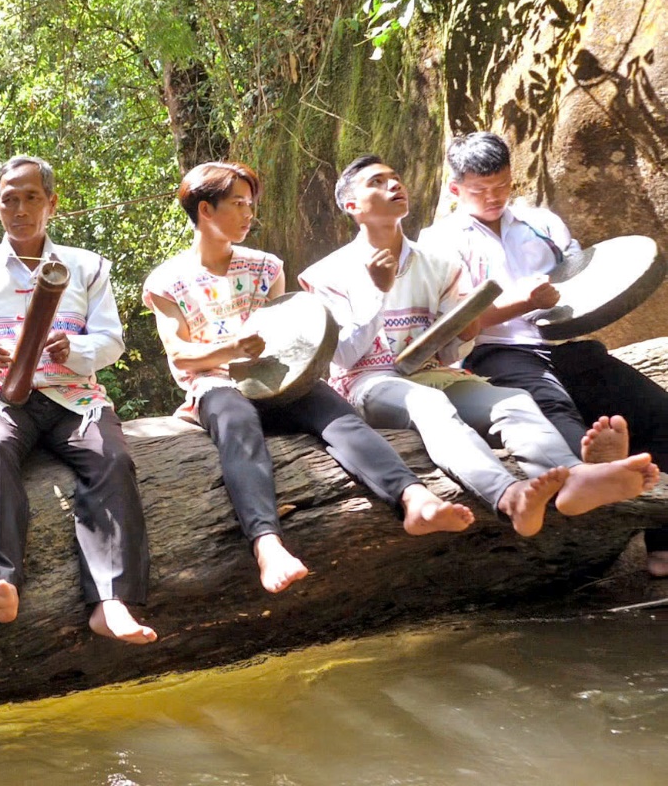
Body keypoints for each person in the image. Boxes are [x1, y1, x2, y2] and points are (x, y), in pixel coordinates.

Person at [142, 162, 475, 594]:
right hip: (215, 382)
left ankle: (412, 499)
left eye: (251, 204)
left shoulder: (265, 267)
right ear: (206, 210)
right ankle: (267, 545)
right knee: (237, 423)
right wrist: (231, 351)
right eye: (238, 204)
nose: (249, 214)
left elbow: (289, 333)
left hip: (277, 378)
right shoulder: (168, 281)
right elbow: (181, 356)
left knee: (337, 414)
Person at [299, 156, 658, 537]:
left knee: (514, 401)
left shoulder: (439, 264)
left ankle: (575, 477)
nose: (393, 186)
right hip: (368, 383)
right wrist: (377, 290)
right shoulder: (325, 274)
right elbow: (342, 356)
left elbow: (452, 352)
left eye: (395, 178)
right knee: (428, 403)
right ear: (352, 206)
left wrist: (462, 330)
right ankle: (508, 496)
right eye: (377, 182)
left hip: (435, 373)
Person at [421, 130, 668, 576]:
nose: (494, 198)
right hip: (494, 354)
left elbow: (585, 283)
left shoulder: (544, 223)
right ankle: (588, 494)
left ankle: (663, 548)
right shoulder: (439, 243)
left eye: (502, 186)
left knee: (658, 411)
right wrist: (522, 303)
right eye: (480, 191)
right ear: (455, 189)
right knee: (554, 406)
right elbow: (452, 325)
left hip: (561, 347)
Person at [0, 155, 156, 643]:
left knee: (112, 458)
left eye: (31, 197)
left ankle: (110, 601)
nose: (19, 209)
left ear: (51, 204)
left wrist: (73, 349)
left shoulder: (86, 266)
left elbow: (112, 340)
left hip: (73, 398)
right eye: (9, 200)